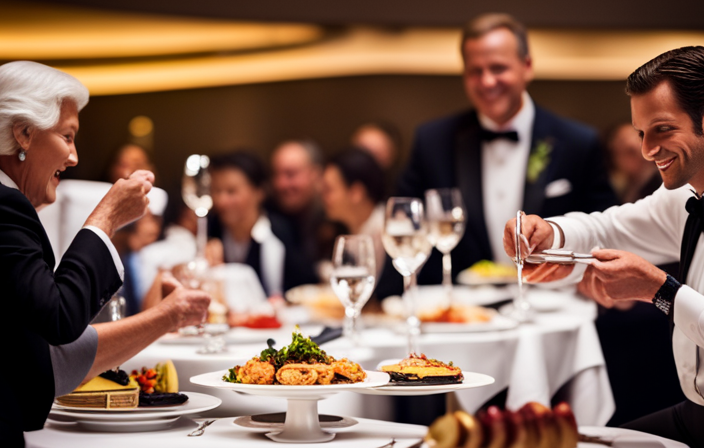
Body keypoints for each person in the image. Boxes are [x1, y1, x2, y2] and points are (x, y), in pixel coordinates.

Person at [503, 46, 704, 446]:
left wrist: (660, 292)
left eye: (663, 129)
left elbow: (660, 290)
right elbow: (606, 227)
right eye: (642, 134)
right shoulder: (683, 197)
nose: (648, 150)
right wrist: (549, 234)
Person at [0, 60, 208, 445]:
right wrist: (106, 218)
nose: (74, 157)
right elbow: (59, 321)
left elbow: (42, 353)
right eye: (67, 136)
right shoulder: (4, 207)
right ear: (24, 134)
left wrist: (168, 315)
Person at [376, 13, 616, 298]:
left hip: (554, 308)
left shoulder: (578, 142)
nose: (487, 81)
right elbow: (404, 225)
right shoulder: (433, 142)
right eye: (475, 71)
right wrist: (383, 301)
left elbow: (606, 232)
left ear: (527, 66)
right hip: (466, 313)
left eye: (498, 68)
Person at [207, 150, 317, 295]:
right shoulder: (209, 231)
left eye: (231, 191)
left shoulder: (282, 234)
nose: (221, 201)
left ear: (259, 192)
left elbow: (305, 291)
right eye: (216, 191)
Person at [269, 139, 336, 269]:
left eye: (290, 174)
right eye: (276, 174)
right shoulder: (267, 216)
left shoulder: (334, 216)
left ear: (315, 174)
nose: (280, 184)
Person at [322, 147, 387, 278]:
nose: (323, 197)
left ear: (356, 192)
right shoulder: (348, 232)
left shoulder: (386, 234)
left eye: (328, 190)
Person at [605, 123, 661, 204]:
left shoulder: (662, 183)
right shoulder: (619, 192)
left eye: (637, 136)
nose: (632, 144)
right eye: (626, 152)